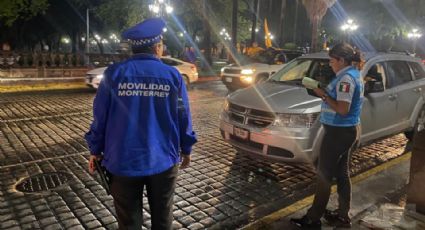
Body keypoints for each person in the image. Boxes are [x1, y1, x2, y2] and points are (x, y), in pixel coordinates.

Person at [85, 18, 197, 230]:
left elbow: (100, 117)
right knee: (163, 218)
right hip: (163, 159)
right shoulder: (172, 75)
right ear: (157, 47)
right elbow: (183, 116)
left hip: (122, 160)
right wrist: (187, 148)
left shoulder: (114, 74)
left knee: (129, 222)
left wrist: (95, 149)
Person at [290, 43, 364, 229]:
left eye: (332, 60)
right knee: (342, 173)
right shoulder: (353, 74)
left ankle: (313, 218)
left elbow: (342, 109)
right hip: (345, 131)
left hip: (339, 132)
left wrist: (322, 94)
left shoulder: (346, 79)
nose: (330, 64)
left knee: (324, 175)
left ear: (341, 60)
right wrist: (323, 90)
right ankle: (342, 214)